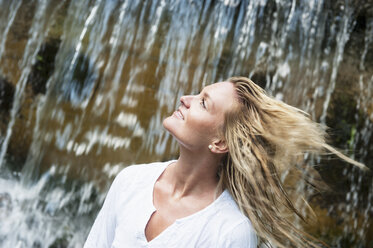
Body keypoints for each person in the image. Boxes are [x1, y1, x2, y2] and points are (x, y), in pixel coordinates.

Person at [84, 77, 367, 248]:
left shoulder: (230, 232)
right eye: (198, 94)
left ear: (220, 143)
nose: (185, 99)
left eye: (203, 103)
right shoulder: (131, 181)